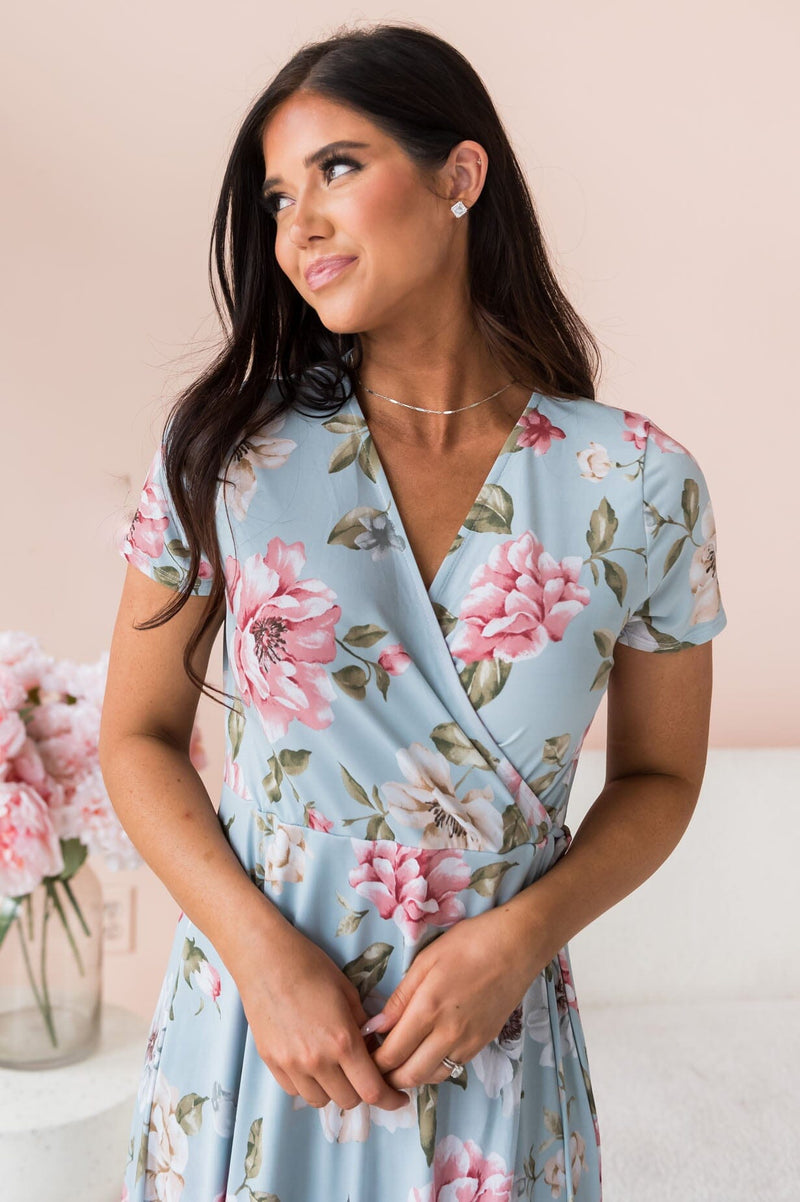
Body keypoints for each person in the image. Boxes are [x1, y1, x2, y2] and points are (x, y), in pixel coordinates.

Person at [100, 21, 728, 1202]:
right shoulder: (226, 453)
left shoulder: (639, 482)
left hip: (494, 1049)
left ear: (459, 175)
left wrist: (521, 937)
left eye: (335, 168)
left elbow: (659, 777)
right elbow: (134, 736)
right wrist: (260, 955)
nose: (298, 224)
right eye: (276, 197)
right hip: (255, 1037)